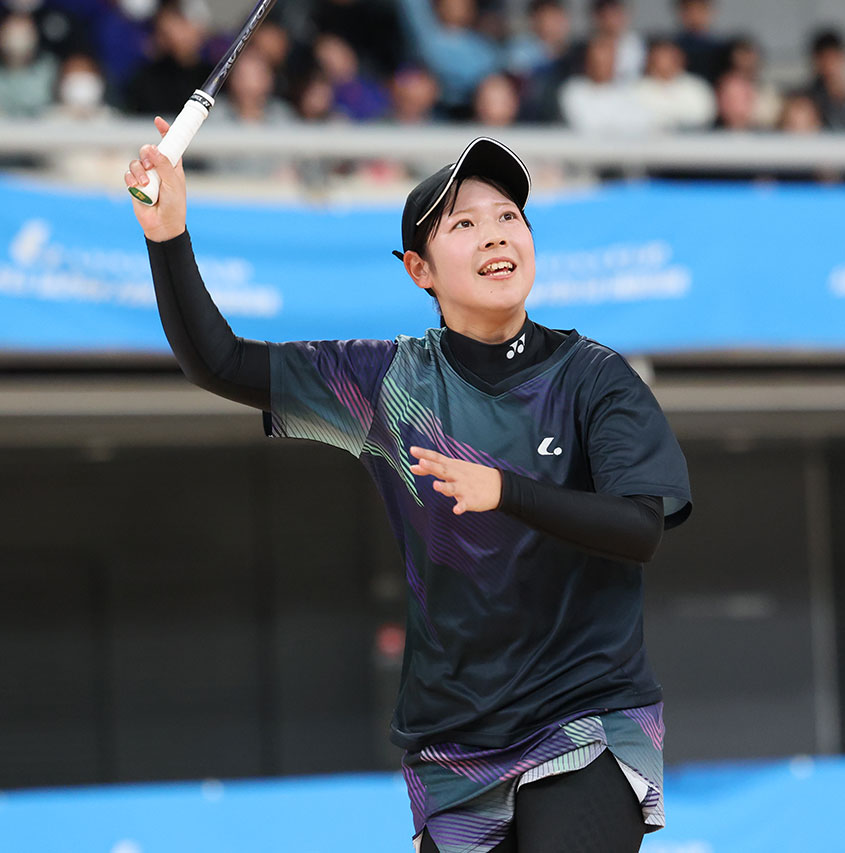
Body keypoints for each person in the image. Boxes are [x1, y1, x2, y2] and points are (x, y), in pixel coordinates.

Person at [126, 129, 692, 852]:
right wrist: (167, 235)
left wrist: (507, 490)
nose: (496, 234)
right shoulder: (387, 383)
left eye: (509, 216)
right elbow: (221, 362)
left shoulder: (595, 379)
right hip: (454, 741)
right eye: (464, 223)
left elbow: (639, 528)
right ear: (419, 270)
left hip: (586, 714)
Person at [633, 37, 714, 131]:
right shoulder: (638, 89)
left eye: (670, 57)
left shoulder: (697, 86)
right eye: (660, 57)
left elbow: (705, 115)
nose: (665, 62)